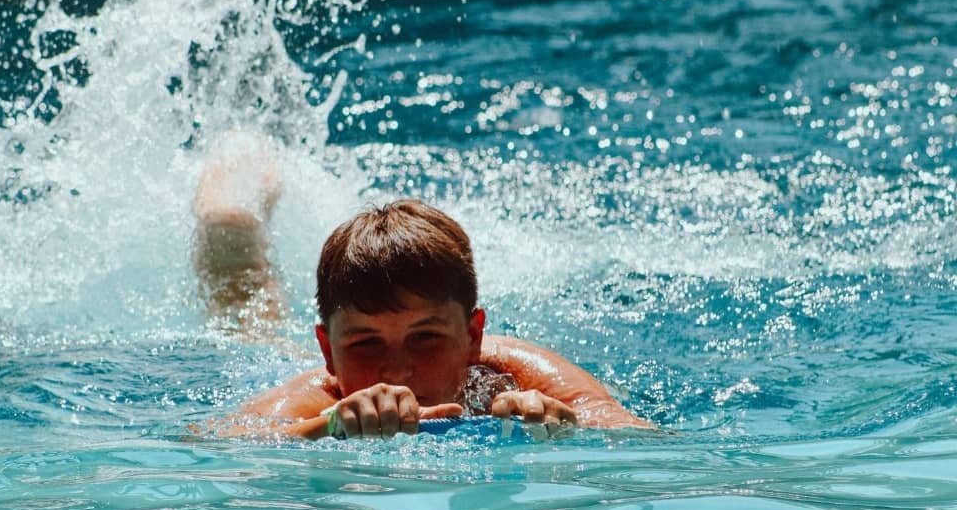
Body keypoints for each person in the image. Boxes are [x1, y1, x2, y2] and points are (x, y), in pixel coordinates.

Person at [193, 131, 653, 439]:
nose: (396, 371)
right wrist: (329, 427)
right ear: (328, 350)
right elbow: (212, 444)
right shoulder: (323, 397)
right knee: (247, 315)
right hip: (270, 366)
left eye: (426, 338)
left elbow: (635, 435)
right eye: (365, 343)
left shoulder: (510, 373)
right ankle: (231, 208)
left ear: (473, 336)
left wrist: (566, 425)